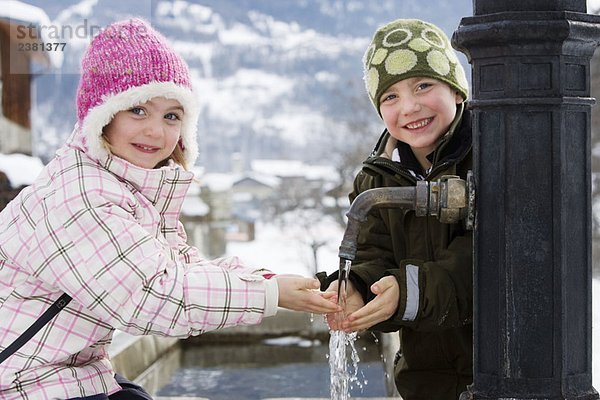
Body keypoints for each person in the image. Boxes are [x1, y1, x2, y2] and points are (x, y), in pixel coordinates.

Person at [0, 18, 340, 400]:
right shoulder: (79, 196)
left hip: (68, 372)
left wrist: (270, 281)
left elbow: (182, 269)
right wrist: (269, 294)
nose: (156, 132)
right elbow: (152, 296)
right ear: (102, 117)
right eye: (138, 111)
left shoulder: (129, 187)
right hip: (22, 379)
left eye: (171, 116)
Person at [321, 19, 473, 400]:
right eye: (390, 97)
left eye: (423, 85)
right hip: (424, 382)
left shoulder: (489, 155)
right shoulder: (377, 179)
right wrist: (356, 288)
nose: (409, 107)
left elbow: (485, 264)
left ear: (456, 90)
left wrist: (406, 293)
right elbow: (374, 255)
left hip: (500, 370)